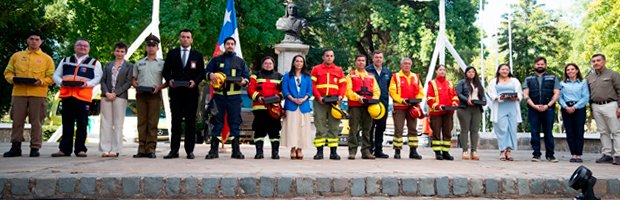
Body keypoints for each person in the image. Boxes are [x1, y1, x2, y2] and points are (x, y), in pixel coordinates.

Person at [3, 32, 55, 157]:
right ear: (27, 40)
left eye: (37, 39)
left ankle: (35, 148)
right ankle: (16, 147)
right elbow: (8, 73)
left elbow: (52, 77)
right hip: (19, 93)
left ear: (41, 42)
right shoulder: (17, 56)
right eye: (31, 39)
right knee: (17, 121)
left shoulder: (47, 59)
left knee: (36, 122)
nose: (34, 41)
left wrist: (41, 81)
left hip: (38, 94)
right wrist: (13, 79)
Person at [51, 39, 103, 157]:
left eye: (85, 46)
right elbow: (56, 75)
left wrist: (87, 84)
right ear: (75, 47)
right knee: (67, 123)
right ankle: (64, 149)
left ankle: (80, 149)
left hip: (83, 97)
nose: (82, 47)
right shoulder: (65, 60)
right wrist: (61, 82)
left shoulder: (94, 62)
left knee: (82, 124)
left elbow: (98, 78)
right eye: (79, 45)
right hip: (67, 95)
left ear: (89, 49)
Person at [162, 29, 206, 159]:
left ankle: (189, 151)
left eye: (188, 37)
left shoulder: (197, 55)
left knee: (190, 122)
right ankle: (174, 150)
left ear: (191, 39)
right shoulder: (172, 54)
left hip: (191, 93)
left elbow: (201, 73)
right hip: (176, 92)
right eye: (183, 37)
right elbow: (166, 71)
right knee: (175, 122)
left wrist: (195, 81)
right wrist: (169, 80)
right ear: (179, 38)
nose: (185, 39)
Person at [205, 37, 249, 159]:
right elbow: (206, 73)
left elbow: (247, 79)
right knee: (216, 123)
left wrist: (243, 82)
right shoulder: (216, 60)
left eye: (232, 44)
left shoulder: (240, 62)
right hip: (219, 97)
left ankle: (236, 151)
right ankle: (213, 151)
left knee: (235, 124)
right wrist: (211, 75)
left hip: (234, 98)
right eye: (228, 44)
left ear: (234, 46)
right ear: (224, 46)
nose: (230, 46)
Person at [132, 34, 166, 159]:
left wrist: (159, 88)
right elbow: (133, 79)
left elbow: (167, 81)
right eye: (149, 46)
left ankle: (151, 149)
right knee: (141, 122)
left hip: (154, 95)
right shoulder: (139, 63)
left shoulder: (162, 63)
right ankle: (141, 149)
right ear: (146, 48)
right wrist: (135, 84)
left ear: (157, 48)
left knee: (152, 123)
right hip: (141, 95)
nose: (151, 48)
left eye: (154, 46)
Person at [523, 57, 560, 162]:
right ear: (534, 65)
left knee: (548, 132)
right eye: (538, 64)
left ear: (545, 65)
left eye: (542, 64)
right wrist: (534, 106)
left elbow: (557, 93)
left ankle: (550, 155)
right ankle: (536, 154)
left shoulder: (552, 77)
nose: (540, 66)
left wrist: (548, 105)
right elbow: (525, 94)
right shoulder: (528, 79)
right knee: (534, 132)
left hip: (548, 109)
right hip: (533, 109)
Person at [99, 42, 133, 157]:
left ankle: (116, 148)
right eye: (117, 51)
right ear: (114, 52)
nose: (119, 53)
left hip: (120, 97)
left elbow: (128, 82)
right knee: (105, 122)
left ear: (125, 53)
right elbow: (103, 80)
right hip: (106, 96)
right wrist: (107, 93)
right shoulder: (108, 65)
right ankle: (105, 148)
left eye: (122, 51)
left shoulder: (129, 66)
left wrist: (116, 93)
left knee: (118, 123)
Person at [311, 49, 346, 160]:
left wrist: (341, 96)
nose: (329, 58)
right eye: (327, 56)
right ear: (323, 57)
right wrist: (318, 97)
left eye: (331, 56)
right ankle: (319, 152)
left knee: (334, 126)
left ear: (333, 57)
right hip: (320, 101)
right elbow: (312, 84)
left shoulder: (339, 70)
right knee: (320, 125)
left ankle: (333, 152)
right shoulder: (316, 69)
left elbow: (343, 85)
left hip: (335, 102)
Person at [586, 54, 620, 165]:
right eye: (594, 61)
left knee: (616, 131)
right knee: (603, 131)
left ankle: (618, 155)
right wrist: (591, 109)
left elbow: (619, 90)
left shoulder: (613, 74)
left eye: (598, 60)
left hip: (611, 105)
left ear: (604, 61)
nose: (596, 63)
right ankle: (607, 154)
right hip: (596, 106)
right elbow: (589, 94)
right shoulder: (590, 77)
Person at [248, 56, 283, 159]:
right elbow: (250, 89)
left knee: (275, 130)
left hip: (274, 108)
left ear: (274, 65)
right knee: (259, 130)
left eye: (270, 63)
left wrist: (279, 97)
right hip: (260, 107)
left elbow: (283, 90)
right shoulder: (255, 75)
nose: (268, 65)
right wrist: (258, 97)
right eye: (266, 63)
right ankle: (259, 152)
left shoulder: (279, 76)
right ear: (262, 64)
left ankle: (275, 153)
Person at [388, 57, 424, 159]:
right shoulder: (395, 77)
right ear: (401, 65)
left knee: (413, 129)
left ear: (411, 65)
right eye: (405, 63)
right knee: (398, 129)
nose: (407, 65)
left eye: (408, 64)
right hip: (399, 106)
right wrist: (401, 100)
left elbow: (420, 91)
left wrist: (416, 100)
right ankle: (397, 151)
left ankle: (413, 151)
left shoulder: (415, 76)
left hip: (412, 107)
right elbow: (392, 92)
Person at [345, 55, 379, 160]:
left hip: (368, 106)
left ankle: (366, 151)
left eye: (363, 61)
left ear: (365, 63)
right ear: (355, 62)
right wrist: (358, 97)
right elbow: (348, 91)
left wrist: (374, 99)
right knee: (353, 128)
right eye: (359, 60)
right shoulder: (350, 76)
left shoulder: (371, 76)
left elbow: (376, 91)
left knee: (367, 129)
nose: (361, 62)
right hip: (355, 105)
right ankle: (352, 151)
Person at [488, 64, 523, 161]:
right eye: (503, 69)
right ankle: (502, 151)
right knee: (502, 129)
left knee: (512, 129)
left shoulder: (514, 81)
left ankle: (509, 151)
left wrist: (516, 97)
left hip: (512, 106)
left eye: (507, 69)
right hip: (500, 107)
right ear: (499, 70)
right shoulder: (494, 81)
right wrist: (498, 97)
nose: (505, 71)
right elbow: (491, 93)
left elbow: (519, 93)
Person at [281, 55, 313, 160]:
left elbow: (310, 91)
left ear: (303, 64)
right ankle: (293, 148)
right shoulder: (287, 76)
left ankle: (300, 149)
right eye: (297, 61)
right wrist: (293, 99)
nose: (299, 63)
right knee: (292, 128)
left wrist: (303, 99)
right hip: (291, 105)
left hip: (304, 105)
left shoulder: (307, 77)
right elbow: (285, 90)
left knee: (302, 128)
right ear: (293, 63)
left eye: (301, 61)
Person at [426, 64, 459, 160]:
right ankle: (437, 152)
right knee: (436, 132)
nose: (442, 71)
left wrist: (454, 104)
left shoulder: (450, 83)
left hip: (448, 112)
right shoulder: (432, 83)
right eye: (440, 70)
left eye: (444, 70)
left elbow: (454, 96)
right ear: (436, 71)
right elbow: (429, 98)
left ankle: (446, 152)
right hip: (436, 112)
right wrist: (438, 106)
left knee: (447, 132)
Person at [559, 63, 589, 163]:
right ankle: (573, 154)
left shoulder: (583, 82)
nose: (570, 71)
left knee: (579, 131)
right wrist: (565, 106)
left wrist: (575, 107)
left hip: (579, 108)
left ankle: (579, 154)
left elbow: (585, 97)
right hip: (566, 108)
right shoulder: (562, 83)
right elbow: (559, 97)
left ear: (577, 70)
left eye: (572, 69)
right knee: (570, 132)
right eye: (568, 70)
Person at [455, 66, 486, 160]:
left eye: (473, 72)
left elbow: (483, 95)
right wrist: (466, 99)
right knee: (464, 129)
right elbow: (458, 93)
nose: (471, 73)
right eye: (469, 72)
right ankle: (465, 150)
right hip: (465, 108)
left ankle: (474, 151)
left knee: (475, 130)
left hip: (477, 108)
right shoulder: (462, 82)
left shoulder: (478, 83)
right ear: (466, 73)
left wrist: (483, 101)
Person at [366, 50, 392, 159]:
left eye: (380, 57)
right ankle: (369, 150)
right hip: (371, 104)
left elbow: (390, 88)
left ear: (383, 59)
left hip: (383, 103)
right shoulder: (367, 71)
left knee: (381, 127)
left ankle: (379, 150)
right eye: (376, 57)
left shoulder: (387, 72)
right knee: (370, 128)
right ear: (373, 59)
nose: (378, 59)